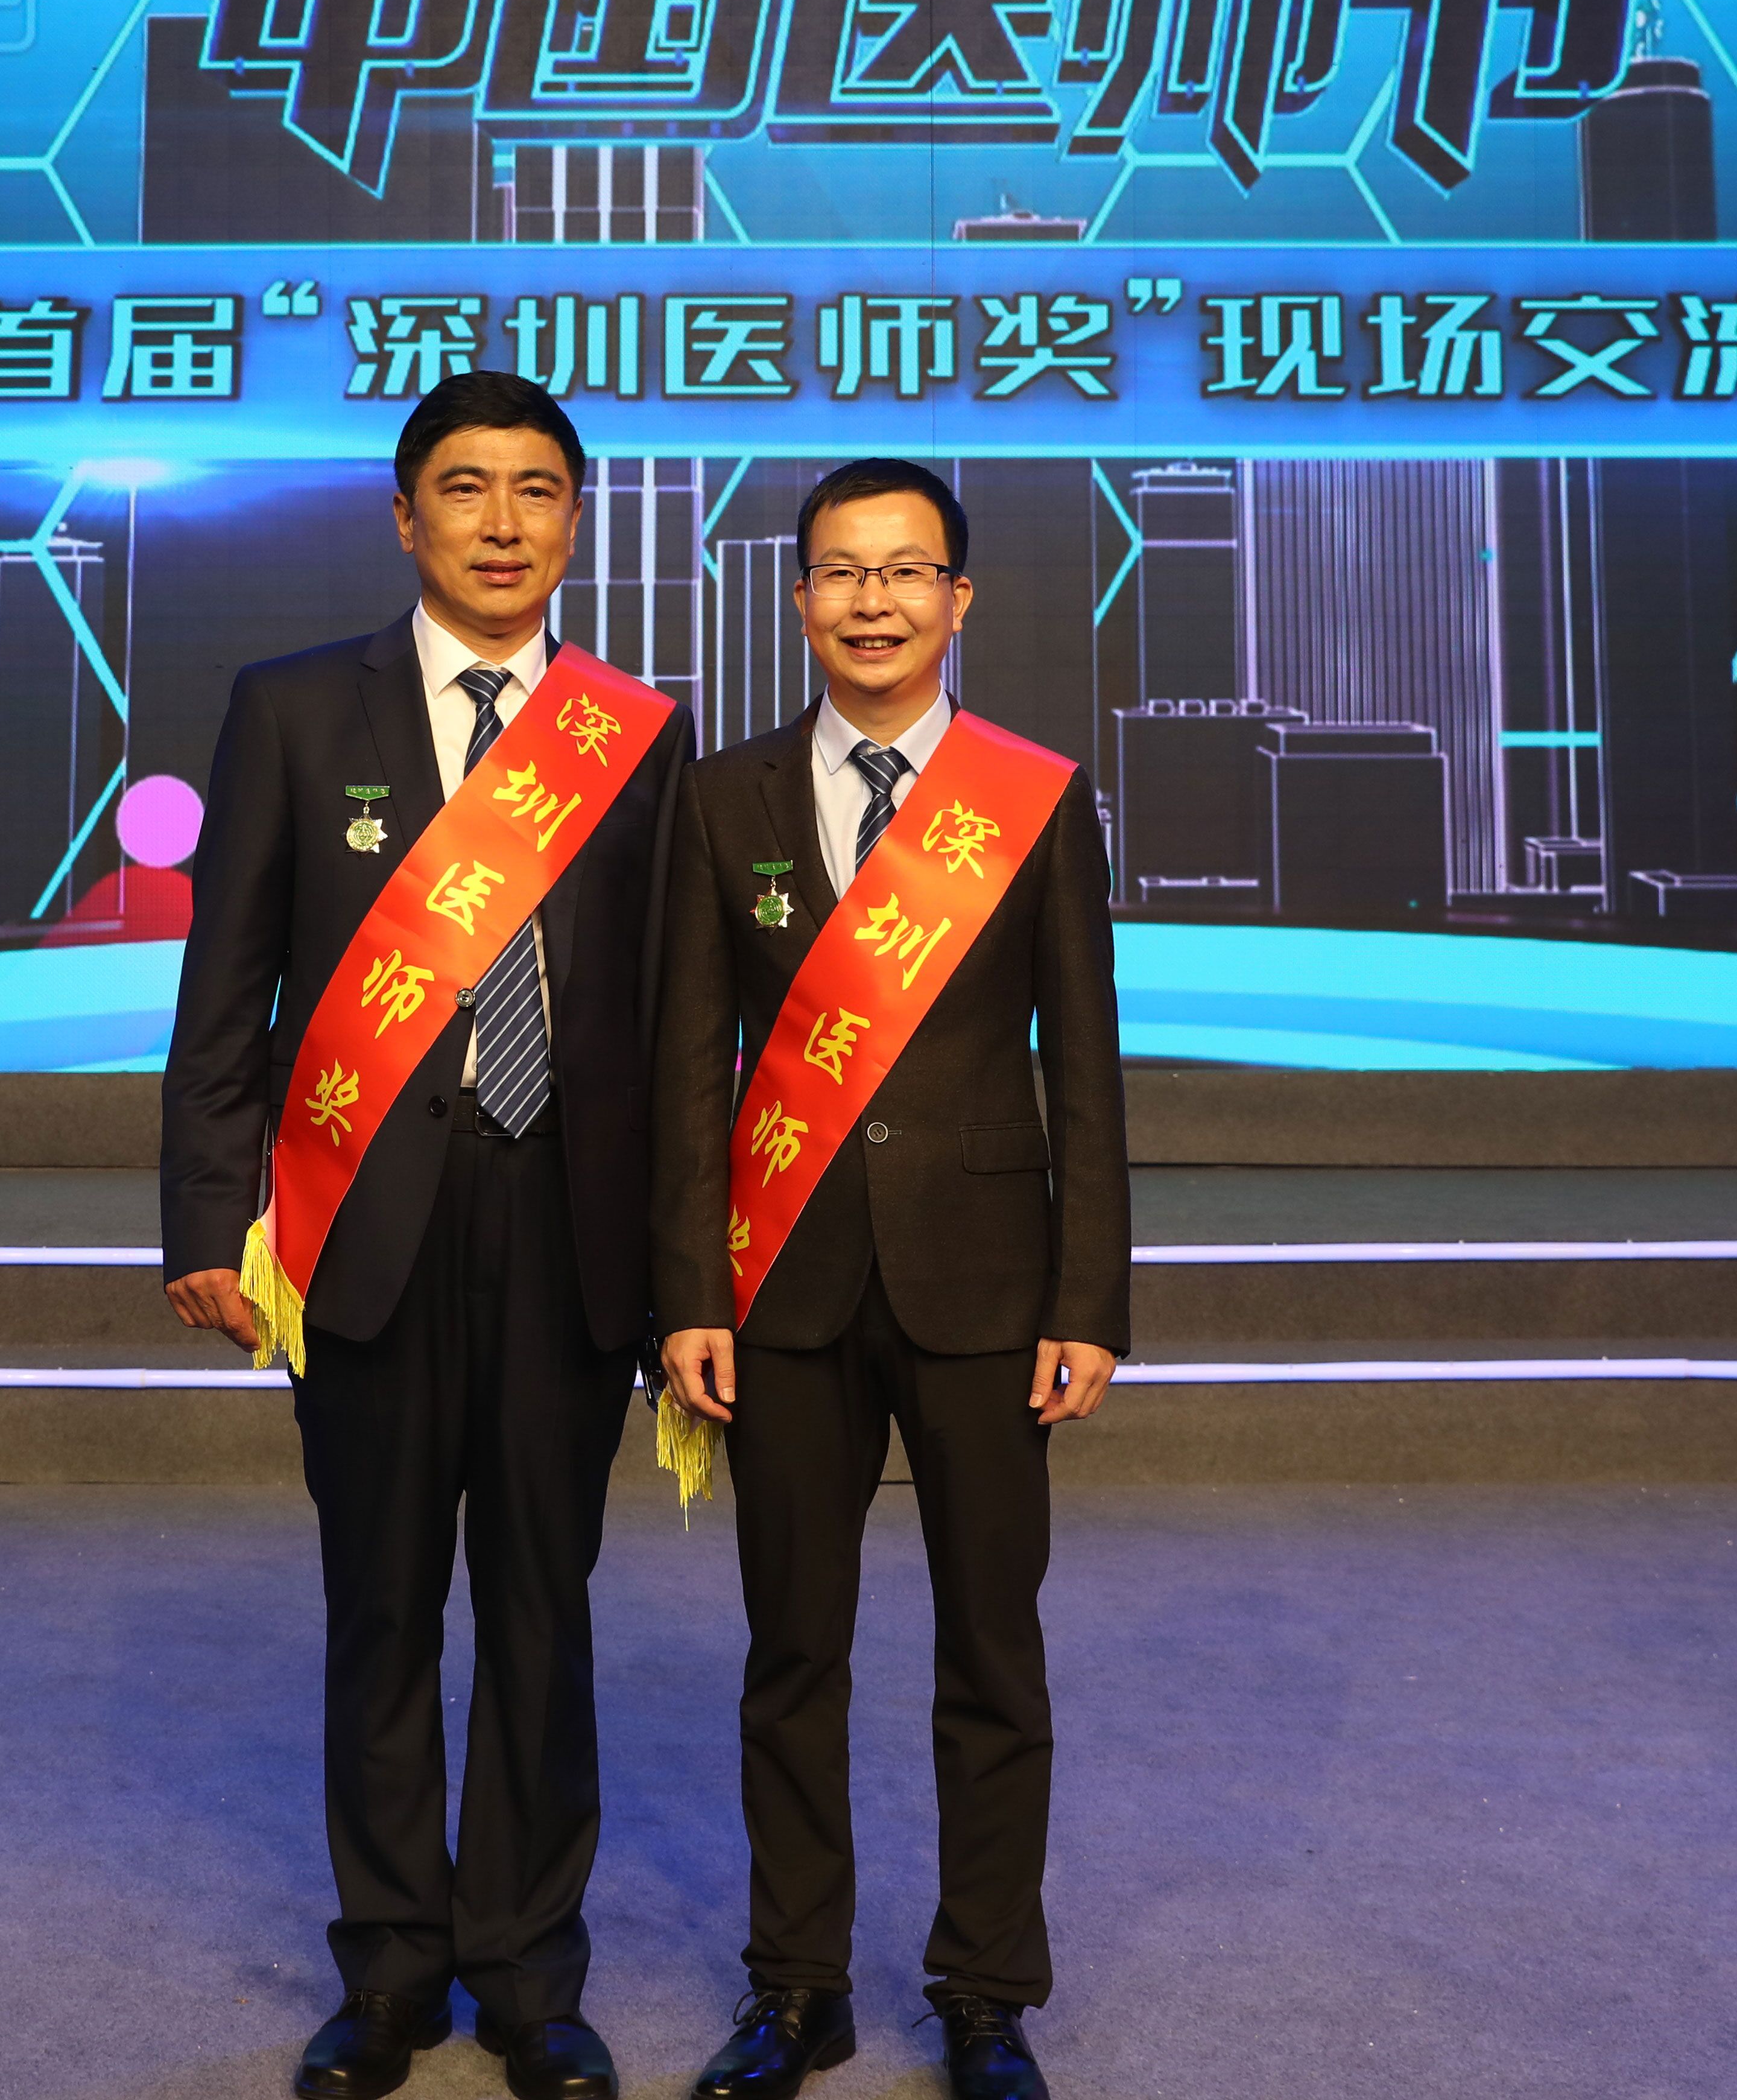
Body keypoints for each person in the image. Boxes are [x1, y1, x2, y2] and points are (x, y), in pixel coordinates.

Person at [162, 372, 690, 2100]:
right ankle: (389, 1972)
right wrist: (206, 1213)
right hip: (361, 1229)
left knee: (543, 1609)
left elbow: (676, 1023)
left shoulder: (637, 736)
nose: (501, 523)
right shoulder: (295, 709)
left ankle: (531, 1978)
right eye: (465, 488)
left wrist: (686, 1267)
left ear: (575, 521)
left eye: (538, 490)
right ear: (405, 517)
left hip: (568, 1231)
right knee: (379, 1609)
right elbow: (228, 987)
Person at [650, 457, 1130, 2100]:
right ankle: (795, 1990)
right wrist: (687, 1288)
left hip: (989, 1288)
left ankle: (986, 1996)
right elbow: (686, 1069)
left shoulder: (1032, 798)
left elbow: (1086, 1068)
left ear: (958, 598)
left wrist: (1087, 1299)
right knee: (791, 1652)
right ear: (800, 600)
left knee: (992, 1652)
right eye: (843, 573)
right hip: (778, 1287)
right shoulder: (720, 798)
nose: (874, 602)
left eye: (907, 571)